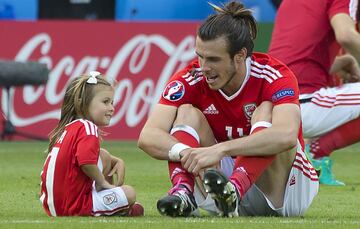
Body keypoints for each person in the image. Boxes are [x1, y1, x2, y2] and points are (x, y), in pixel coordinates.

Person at [138, 1, 318, 217]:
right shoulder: (191, 78)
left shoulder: (274, 75)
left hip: (283, 191)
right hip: (220, 191)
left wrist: (221, 149)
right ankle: (184, 192)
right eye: (200, 56)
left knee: (266, 110)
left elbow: (287, 135)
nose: (204, 67)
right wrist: (187, 153)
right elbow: (148, 136)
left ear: (240, 56)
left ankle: (234, 189)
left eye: (213, 59)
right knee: (186, 112)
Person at [268, 0, 360, 185]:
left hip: (271, 107)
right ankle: (315, 154)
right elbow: (346, 35)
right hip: (300, 106)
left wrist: (337, 63)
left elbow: (291, 58)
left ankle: (309, 156)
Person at [40, 71, 144, 217]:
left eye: (112, 102)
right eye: (105, 102)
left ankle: (111, 201)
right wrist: (103, 182)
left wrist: (116, 161)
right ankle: (118, 208)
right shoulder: (88, 128)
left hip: (54, 206)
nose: (111, 108)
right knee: (130, 193)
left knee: (104, 155)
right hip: (75, 206)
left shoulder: (70, 128)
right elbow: (86, 162)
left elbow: (85, 158)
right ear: (84, 103)